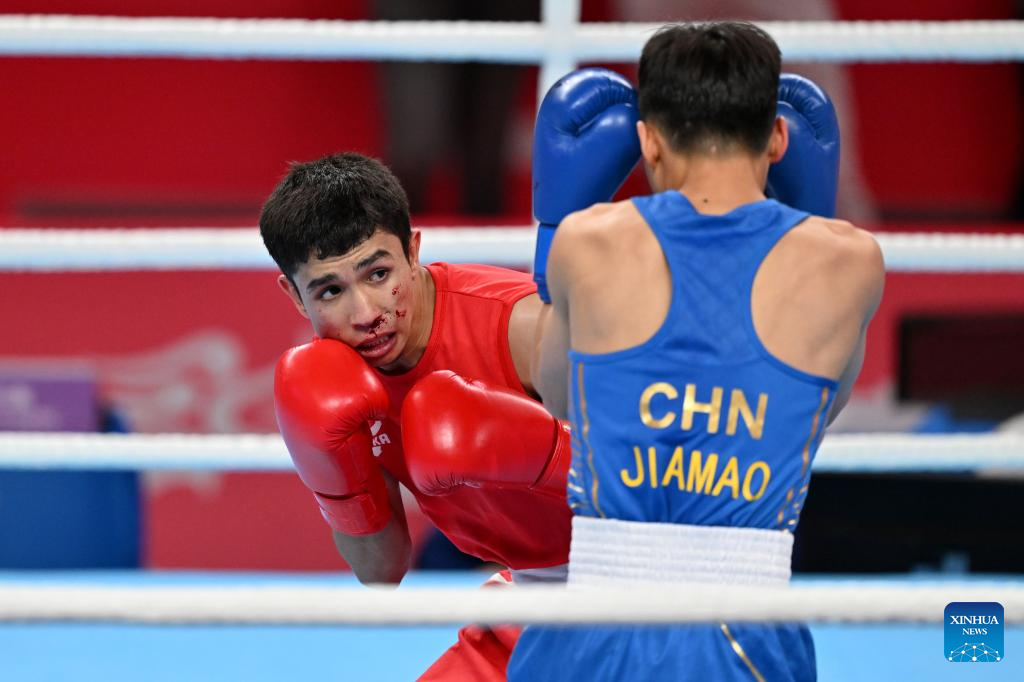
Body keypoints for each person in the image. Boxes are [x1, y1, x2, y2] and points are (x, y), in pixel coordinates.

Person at [508, 21, 884, 682]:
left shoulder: (584, 243)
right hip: (746, 637)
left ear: (647, 141)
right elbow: (814, 415)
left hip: (594, 625)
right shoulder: (850, 264)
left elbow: (563, 398)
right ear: (778, 137)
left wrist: (553, 243)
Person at [258, 106, 638, 680]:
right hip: (537, 601)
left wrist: (539, 452)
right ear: (293, 295)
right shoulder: (333, 382)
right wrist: (335, 479)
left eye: (379, 274)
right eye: (330, 291)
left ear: (413, 251)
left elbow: (666, 485)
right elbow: (381, 572)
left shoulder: (521, 327)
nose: (366, 313)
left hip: (653, 590)